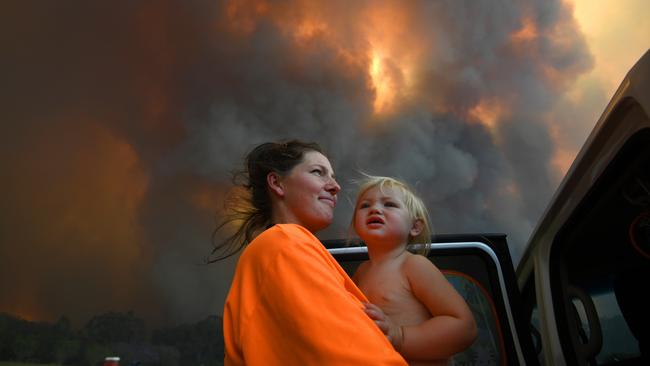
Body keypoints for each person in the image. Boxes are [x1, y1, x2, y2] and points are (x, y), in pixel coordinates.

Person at [213, 140, 407, 365]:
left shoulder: (281, 247)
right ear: (277, 183)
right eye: (318, 172)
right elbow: (348, 356)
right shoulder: (285, 243)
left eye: (333, 176)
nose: (335, 186)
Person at [351, 175, 477, 365]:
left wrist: (400, 336)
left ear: (415, 226)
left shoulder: (414, 265)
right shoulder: (361, 272)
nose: (375, 209)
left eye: (390, 204)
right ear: (355, 224)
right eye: (365, 205)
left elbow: (463, 326)